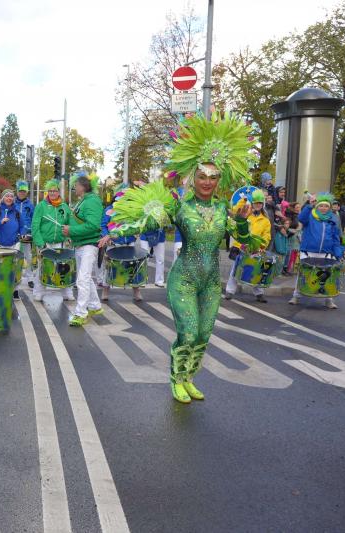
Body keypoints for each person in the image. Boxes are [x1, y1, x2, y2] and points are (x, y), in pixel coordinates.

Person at [105, 112, 260, 404]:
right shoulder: (180, 206)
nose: (207, 182)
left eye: (213, 178)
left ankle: (189, 377)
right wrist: (118, 231)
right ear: (193, 177)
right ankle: (176, 378)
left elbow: (247, 242)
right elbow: (149, 222)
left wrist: (241, 222)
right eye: (202, 177)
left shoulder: (224, 209)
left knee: (204, 335)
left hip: (210, 281)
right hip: (184, 280)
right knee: (188, 333)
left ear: (220, 179)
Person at [288, 193, 343, 309]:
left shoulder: (333, 219)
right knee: (303, 275)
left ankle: (329, 299)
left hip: (326, 252)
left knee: (328, 275)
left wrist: (338, 253)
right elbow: (301, 218)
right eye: (321, 205)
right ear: (317, 206)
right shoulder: (310, 216)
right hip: (308, 251)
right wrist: (309, 205)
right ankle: (296, 296)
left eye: (326, 206)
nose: (323, 208)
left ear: (329, 207)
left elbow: (336, 237)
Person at [64, 173, 103, 325]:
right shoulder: (84, 201)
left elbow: (92, 225)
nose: (74, 188)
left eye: (75, 185)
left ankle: (81, 313)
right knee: (85, 278)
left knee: (82, 279)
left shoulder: (92, 201)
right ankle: (95, 306)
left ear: (82, 186)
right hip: (81, 244)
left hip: (89, 245)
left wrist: (71, 230)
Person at [224, 189, 272, 302]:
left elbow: (267, 235)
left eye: (260, 203)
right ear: (252, 203)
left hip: (255, 248)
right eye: (256, 203)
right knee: (236, 269)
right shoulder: (246, 214)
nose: (258, 205)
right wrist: (244, 200)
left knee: (257, 270)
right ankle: (230, 291)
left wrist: (262, 246)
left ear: (263, 204)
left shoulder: (265, 220)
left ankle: (259, 293)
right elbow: (235, 210)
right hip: (241, 246)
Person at [31, 179, 74, 302]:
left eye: (54, 191)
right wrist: (40, 243)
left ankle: (67, 292)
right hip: (45, 243)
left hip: (60, 243)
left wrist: (69, 238)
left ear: (59, 192)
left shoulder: (65, 207)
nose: (52, 193)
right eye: (50, 191)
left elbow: (70, 224)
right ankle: (39, 292)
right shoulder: (41, 206)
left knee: (64, 267)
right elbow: (35, 226)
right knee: (42, 268)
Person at [99, 189, 142, 302]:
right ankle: (105, 290)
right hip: (114, 244)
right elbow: (103, 226)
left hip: (130, 243)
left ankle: (136, 291)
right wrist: (107, 236)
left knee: (133, 267)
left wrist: (137, 232)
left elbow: (138, 223)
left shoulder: (132, 209)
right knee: (109, 268)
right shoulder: (109, 210)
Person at [0, 188, 22, 298]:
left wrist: (23, 233)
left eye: (11, 196)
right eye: (7, 196)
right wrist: (0, 222)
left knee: (15, 268)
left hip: (13, 244)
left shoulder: (17, 213)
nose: (9, 198)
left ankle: (14, 290)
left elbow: (22, 226)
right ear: (2, 198)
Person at [13, 180, 35, 286]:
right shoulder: (12, 204)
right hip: (15, 235)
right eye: (20, 191)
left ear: (27, 192)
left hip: (27, 235)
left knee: (28, 256)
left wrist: (29, 231)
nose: (22, 193)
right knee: (15, 256)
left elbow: (33, 220)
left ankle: (30, 278)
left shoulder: (30, 205)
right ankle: (15, 276)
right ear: (17, 191)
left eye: (24, 191)